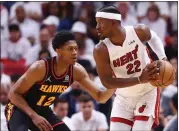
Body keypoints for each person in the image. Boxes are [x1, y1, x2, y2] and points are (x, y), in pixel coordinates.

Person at [5, 30, 115, 131]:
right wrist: (33, 116)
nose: (74, 52)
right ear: (58, 51)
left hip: (43, 110)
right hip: (19, 109)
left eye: (76, 48)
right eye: (70, 49)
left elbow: (101, 97)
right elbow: (13, 94)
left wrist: (115, 82)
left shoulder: (77, 71)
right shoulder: (40, 68)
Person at [94, 5, 168, 131]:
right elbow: (107, 82)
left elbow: (153, 36)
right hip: (123, 98)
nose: (97, 27)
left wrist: (163, 58)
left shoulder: (138, 31)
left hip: (147, 92)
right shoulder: (101, 50)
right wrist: (139, 79)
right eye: (97, 23)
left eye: (101, 22)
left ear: (113, 22)